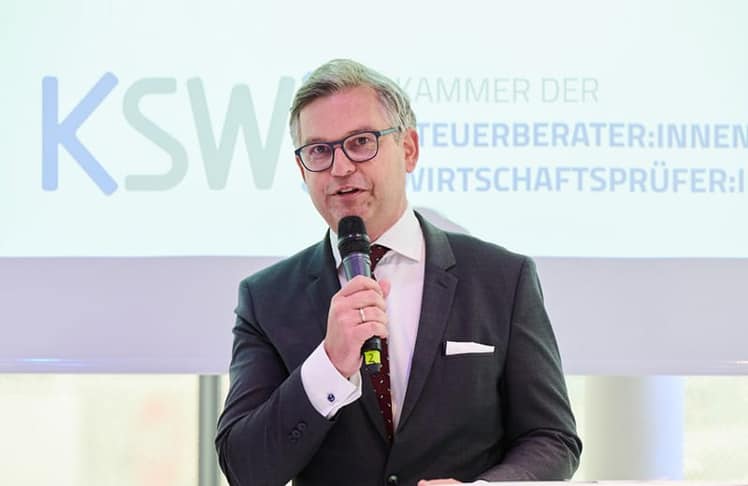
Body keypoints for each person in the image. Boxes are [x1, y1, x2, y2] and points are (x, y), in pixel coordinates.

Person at [215, 59, 581, 486]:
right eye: (319, 151)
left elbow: (552, 439)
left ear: (409, 149)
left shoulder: (502, 279)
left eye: (361, 142)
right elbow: (245, 468)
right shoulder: (267, 299)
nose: (340, 168)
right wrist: (330, 364)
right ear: (302, 170)